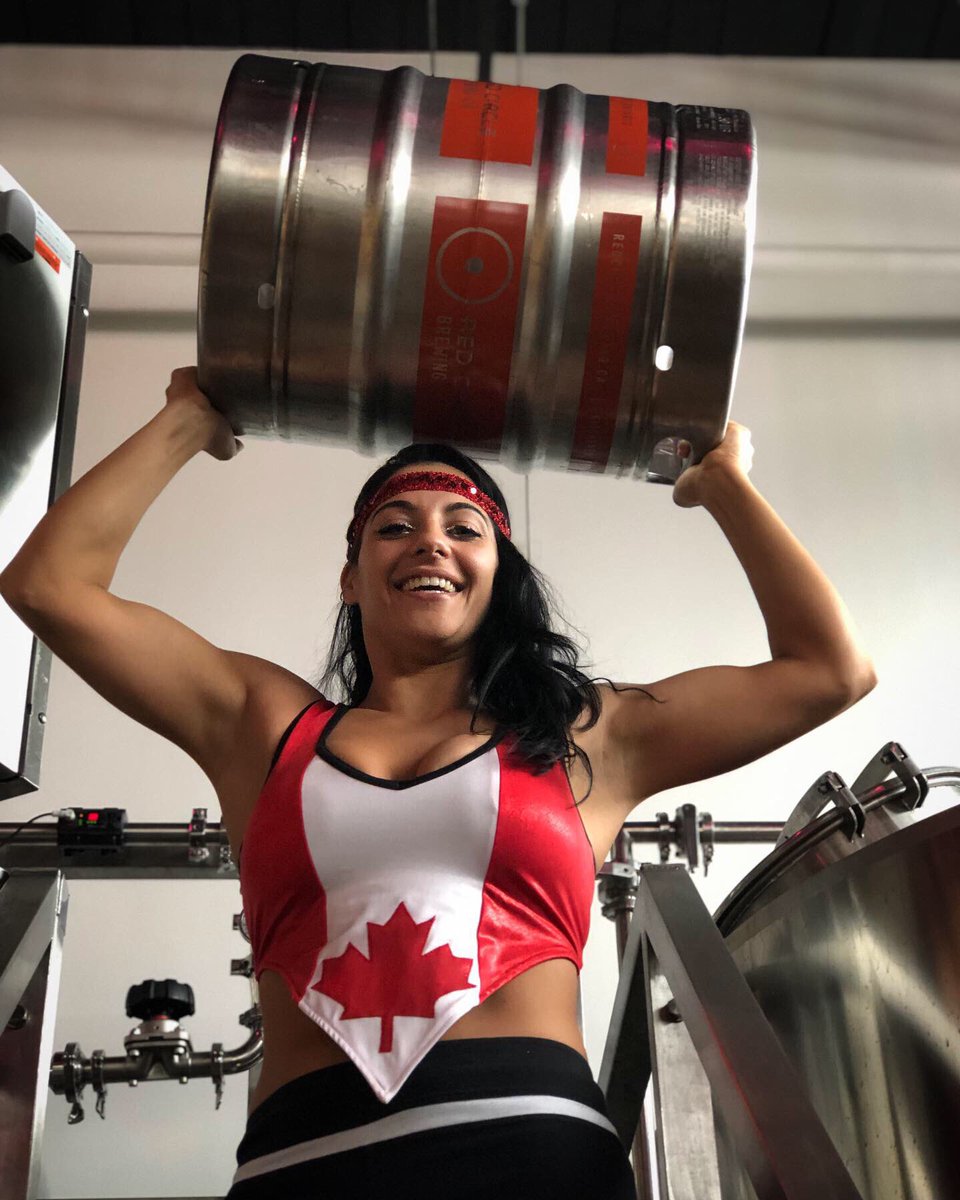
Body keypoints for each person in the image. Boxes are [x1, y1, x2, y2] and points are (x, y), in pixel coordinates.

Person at [0, 367, 876, 1200]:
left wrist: (723, 483)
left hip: (536, 1154)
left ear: (500, 575)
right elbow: (49, 585)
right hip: (301, 1163)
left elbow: (829, 670)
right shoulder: (261, 724)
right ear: (350, 577)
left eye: (465, 528)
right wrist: (189, 418)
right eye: (395, 526)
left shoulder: (588, 735)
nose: (431, 541)